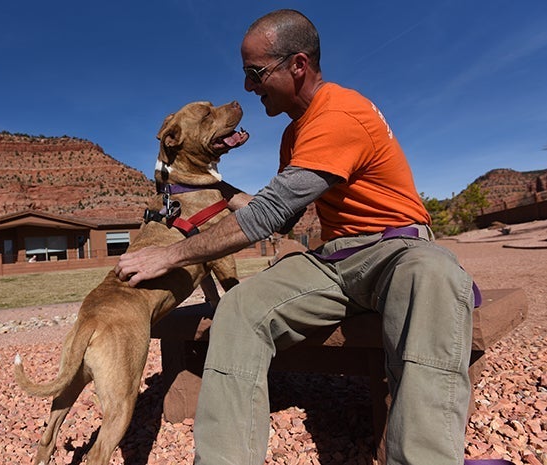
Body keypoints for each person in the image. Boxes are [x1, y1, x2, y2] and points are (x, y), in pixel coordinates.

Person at [115, 9, 475, 465]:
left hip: (396, 249)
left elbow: (267, 215)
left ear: (298, 65)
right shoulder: (293, 135)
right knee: (241, 307)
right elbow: (284, 217)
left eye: (255, 72)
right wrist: (213, 191)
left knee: (434, 275)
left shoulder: (340, 113)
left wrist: (169, 256)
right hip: (335, 261)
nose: (248, 86)